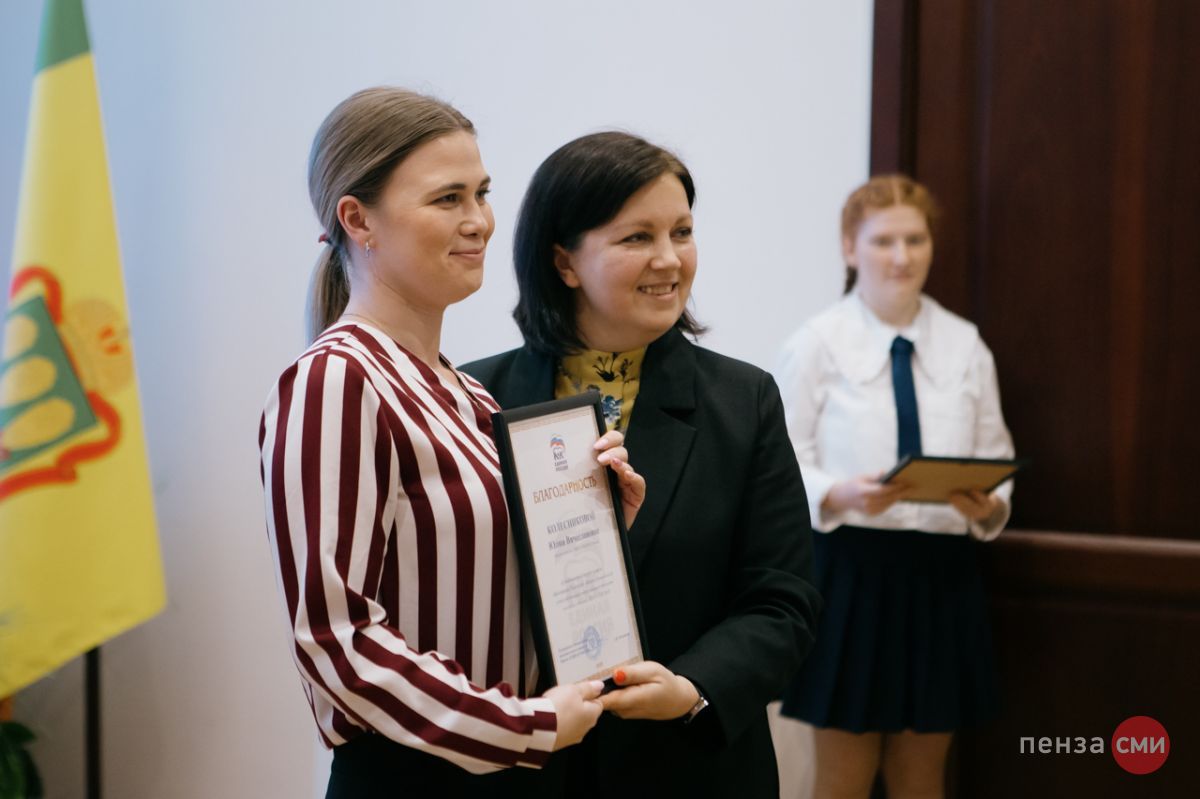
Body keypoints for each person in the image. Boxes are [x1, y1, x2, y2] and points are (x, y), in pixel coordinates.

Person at [258, 88, 646, 798]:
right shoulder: (337, 379)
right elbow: (336, 639)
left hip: (510, 767)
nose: (479, 221)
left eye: (482, 193)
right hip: (416, 778)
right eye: (447, 199)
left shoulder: (470, 393)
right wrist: (521, 726)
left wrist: (591, 522)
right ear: (357, 219)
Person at [463, 131, 820, 798]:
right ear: (564, 262)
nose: (669, 259)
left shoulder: (743, 400)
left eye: (682, 232)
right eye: (637, 237)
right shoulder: (472, 396)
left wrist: (690, 687)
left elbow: (783, 601)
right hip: (523, 767)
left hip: (688, 767)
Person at [775, 174, 1015, 799]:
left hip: (941, 575)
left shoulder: (965, 343)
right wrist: (837, 493)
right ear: (850, 248)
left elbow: (995, 452)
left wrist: (988, 503)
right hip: (850, 573)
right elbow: (781, 460)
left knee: (921, 775)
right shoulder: (818, 342)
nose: (902, 257)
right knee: (843, 776)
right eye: (883, 241)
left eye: (915, 239)